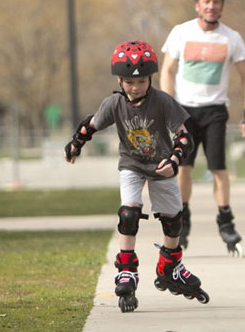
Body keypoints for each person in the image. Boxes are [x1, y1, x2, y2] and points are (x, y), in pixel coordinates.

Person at [64, 40, 209, 313]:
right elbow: (90, 125)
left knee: (173, 221)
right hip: (131, 164)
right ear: (119, 80)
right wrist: (75, 144)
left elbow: (184, 136)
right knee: (128, 214)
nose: (135, 87)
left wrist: (175, 159)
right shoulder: (114, 103)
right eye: (129, 82)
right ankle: (127, 268)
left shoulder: (163, 101)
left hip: (161, 165)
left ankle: (170, 266)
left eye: (141, 81)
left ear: (150, 78)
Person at [160, 0, 245, 256]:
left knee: (219, 168)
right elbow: (167, 70)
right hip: (184, 110)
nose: (212, 6)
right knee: (183, 168)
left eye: (216, 2)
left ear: (221, 6)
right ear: (197, 5)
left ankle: (225, 221)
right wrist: (169, 108)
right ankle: (183, 217)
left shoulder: (232, 38)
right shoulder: (181, 32)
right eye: (207, 2)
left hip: (215, 110)